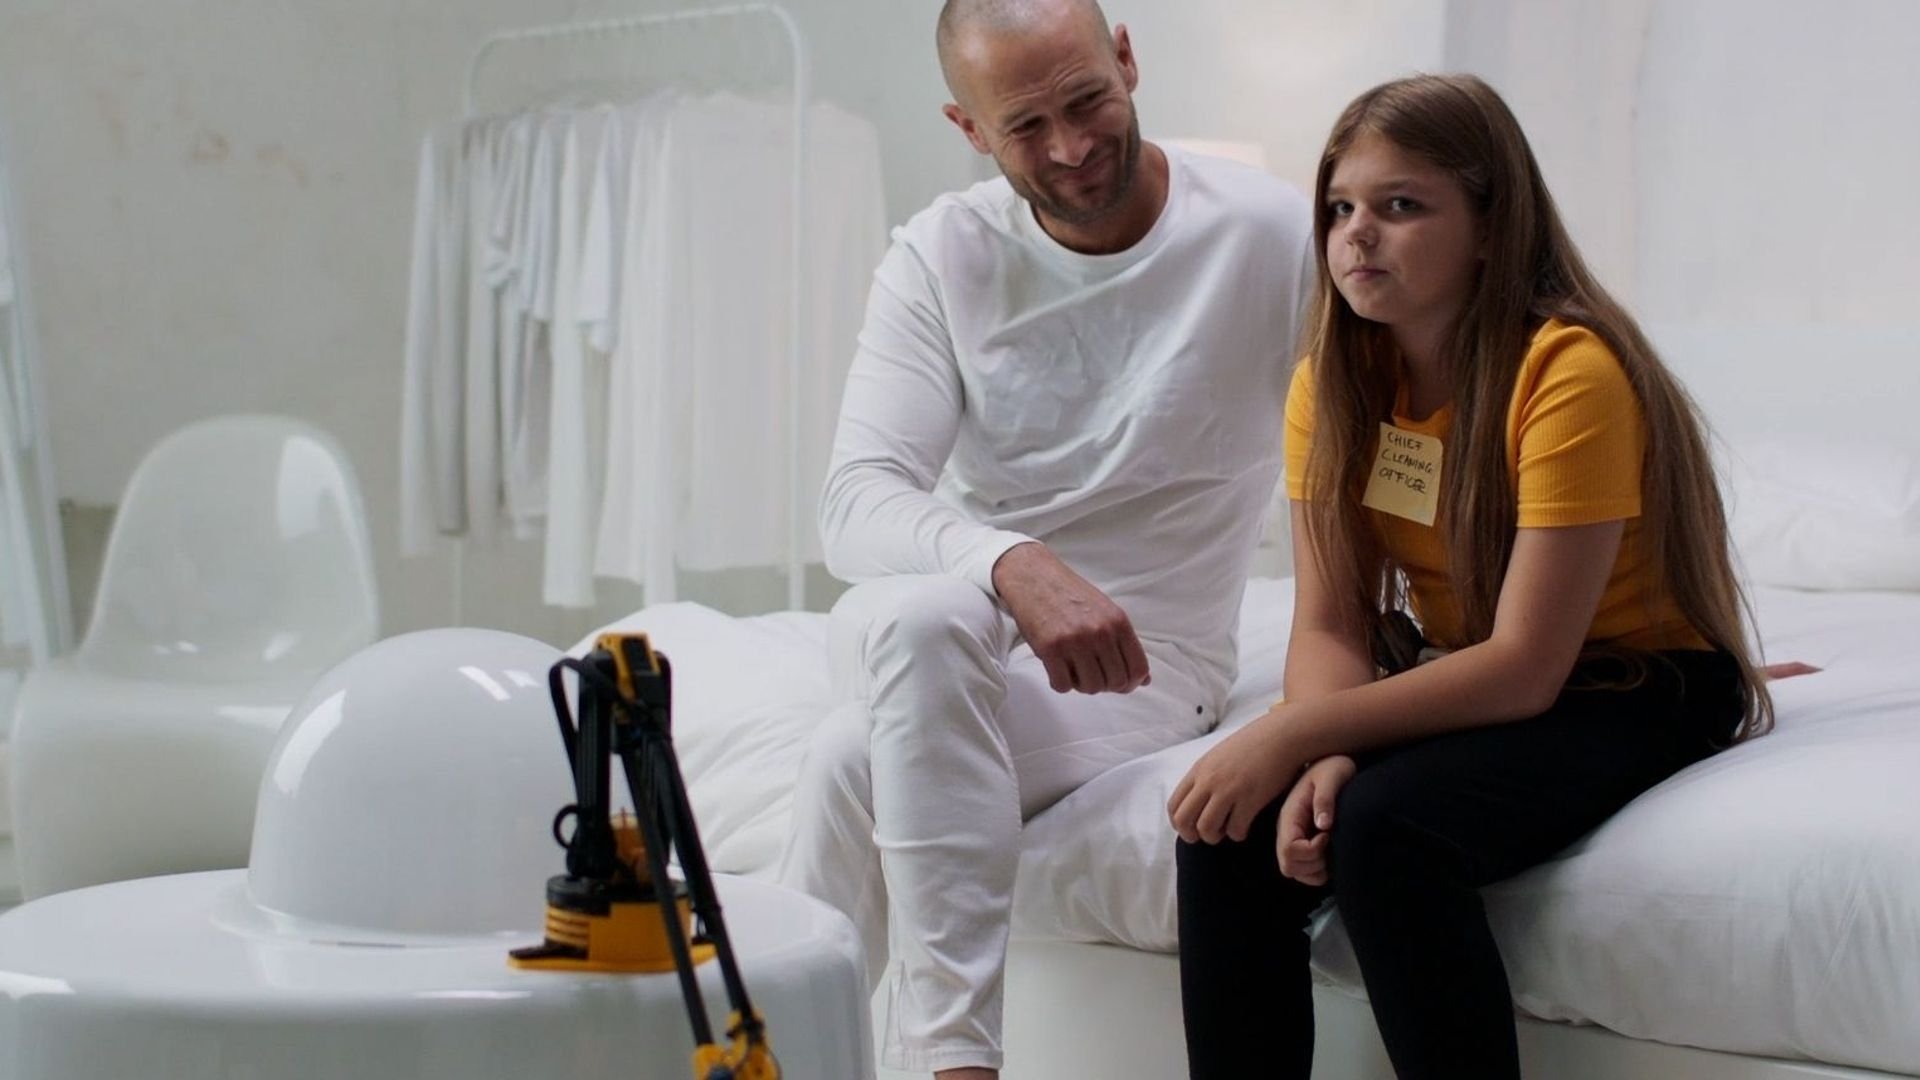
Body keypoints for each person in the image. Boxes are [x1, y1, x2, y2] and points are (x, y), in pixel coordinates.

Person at [1168, 72, 1776, 1079]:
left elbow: (1528, 668)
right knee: (1226, 827)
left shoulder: (1570, 372)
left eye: (1402, 205)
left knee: (1385, 830)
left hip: (1636, 681)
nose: (1358, 235)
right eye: (1340, 208)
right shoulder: (1332, 383)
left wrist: (1294, 733)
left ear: (1492, 228)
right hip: (1479, 670)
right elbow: (1331, 623)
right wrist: (1320, 754)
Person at [774, 1, 1314, 1076]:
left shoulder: (1273, 235)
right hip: (952, 628)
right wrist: (1011, 562)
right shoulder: (940, 253)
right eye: (1025, 125)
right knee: (927, 619)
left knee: (850, 760)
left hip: (1149, 669)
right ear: (968, 127)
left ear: (1128, 60)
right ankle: (957, 1065)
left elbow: (1396, 448)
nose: (1069, 147)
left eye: (1086, 101)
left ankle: (781, 1054)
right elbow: (856, 502)